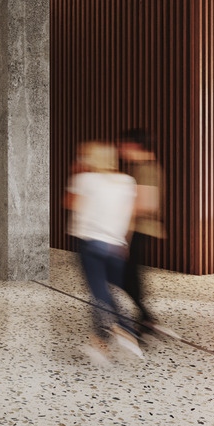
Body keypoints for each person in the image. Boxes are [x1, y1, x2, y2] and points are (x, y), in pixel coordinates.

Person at [67, 141, 142, 363]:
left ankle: (125, 328)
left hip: (91, 243)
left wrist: (76, 175)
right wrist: (124, 243)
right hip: (117, 245)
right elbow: (132, 215)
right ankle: (99, 343)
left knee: (99, 293)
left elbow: (71, 204)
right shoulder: (127, 181)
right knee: (106, 293)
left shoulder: (85, 179)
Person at [118, 128, 175, 340]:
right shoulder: (140, 167)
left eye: (124, 145)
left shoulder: (147, 168)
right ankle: (145, 319)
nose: (121, 149)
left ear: (136, 146)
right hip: (137, 230)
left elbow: (145, 204)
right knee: (130, 276)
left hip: (140, 230)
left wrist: (124, 234)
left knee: (127, 276)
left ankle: (145, 318)